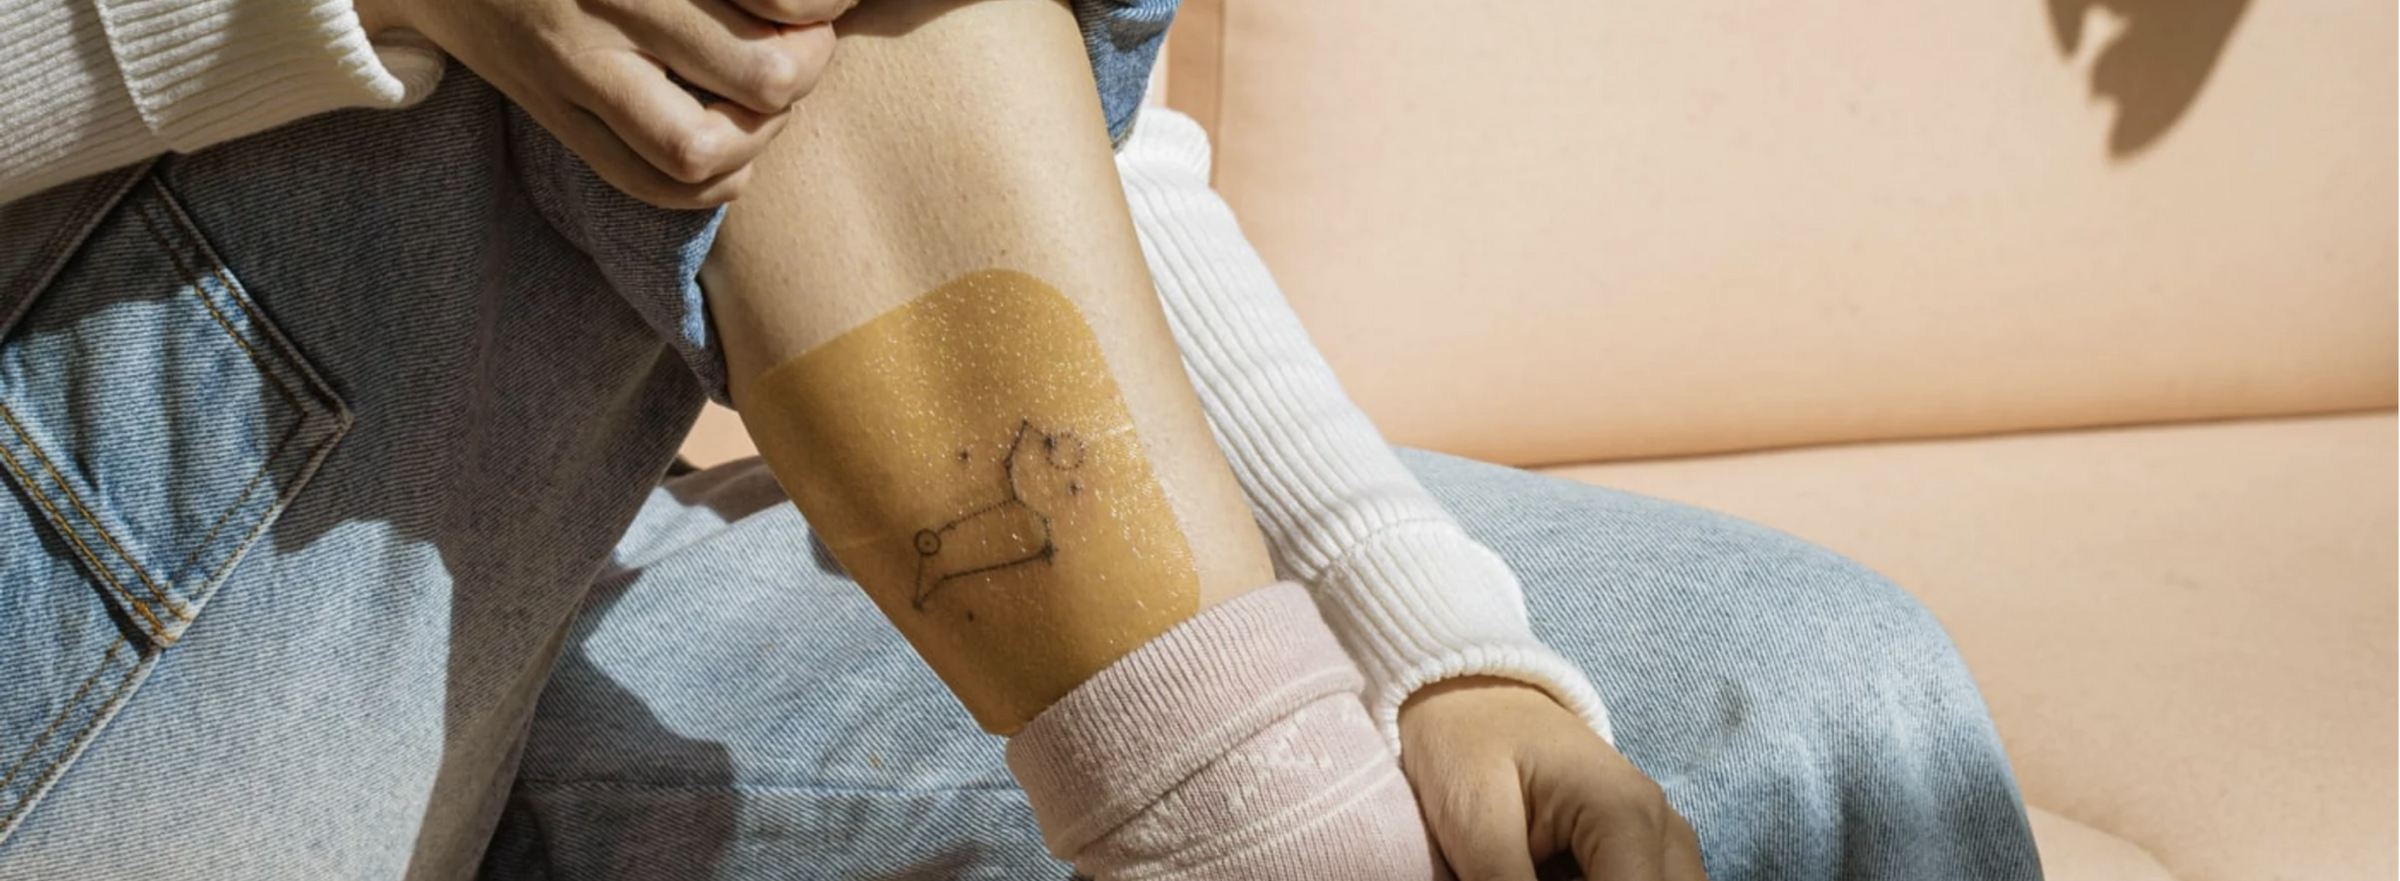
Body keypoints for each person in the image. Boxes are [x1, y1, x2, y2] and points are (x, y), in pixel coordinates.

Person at [0, 0, 2044, 879]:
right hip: (94, 631)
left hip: (511, 567)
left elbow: (955, 111)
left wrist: (1431, 639)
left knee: (1809, 728)